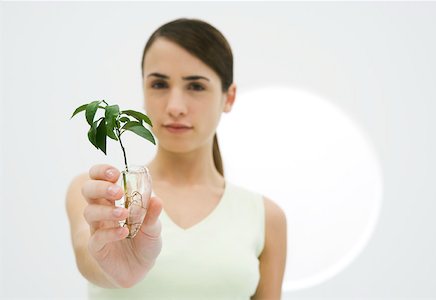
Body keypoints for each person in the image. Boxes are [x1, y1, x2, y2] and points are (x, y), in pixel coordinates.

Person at [66, 18, 287, 299]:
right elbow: (90, 259)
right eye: (159, 84)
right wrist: (114, 268)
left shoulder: (265, 217)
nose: (175, 107)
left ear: (229, 97)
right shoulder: (102, 195)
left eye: (196, 86)